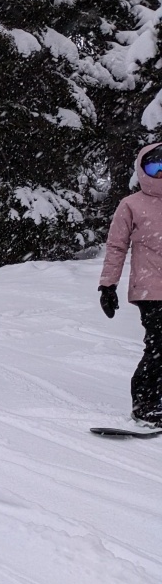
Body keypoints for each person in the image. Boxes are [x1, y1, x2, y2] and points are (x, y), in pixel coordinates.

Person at [100, 143, 162, 428]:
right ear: (142, 169)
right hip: (150, 290)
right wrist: (108, 286)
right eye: (154, 168)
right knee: (159, 345)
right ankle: (145, 404)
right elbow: (116, 247)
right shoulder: (131, 204)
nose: (160, 173)